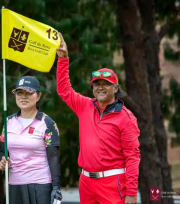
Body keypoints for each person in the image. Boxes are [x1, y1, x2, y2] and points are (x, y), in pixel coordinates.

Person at [56, 33, 140, 204]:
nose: (101, 87)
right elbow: (64, 90)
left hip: (113, 182)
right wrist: (63, 59)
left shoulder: (126, 118)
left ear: (116, 89)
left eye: (106, 84)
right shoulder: (84, 105)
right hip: (86, 182)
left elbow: (132, 156)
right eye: (97, 84)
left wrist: (131, 191)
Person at [0, 76, 62, 204]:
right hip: (15, 184)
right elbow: (2, 151)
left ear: (38, 96)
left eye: (29, 93)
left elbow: (53, 157)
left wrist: (56, 187)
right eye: (20, 93)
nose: (23, 97)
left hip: (41, 185)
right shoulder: (8, 122)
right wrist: (2, 162)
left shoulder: (47, 123)